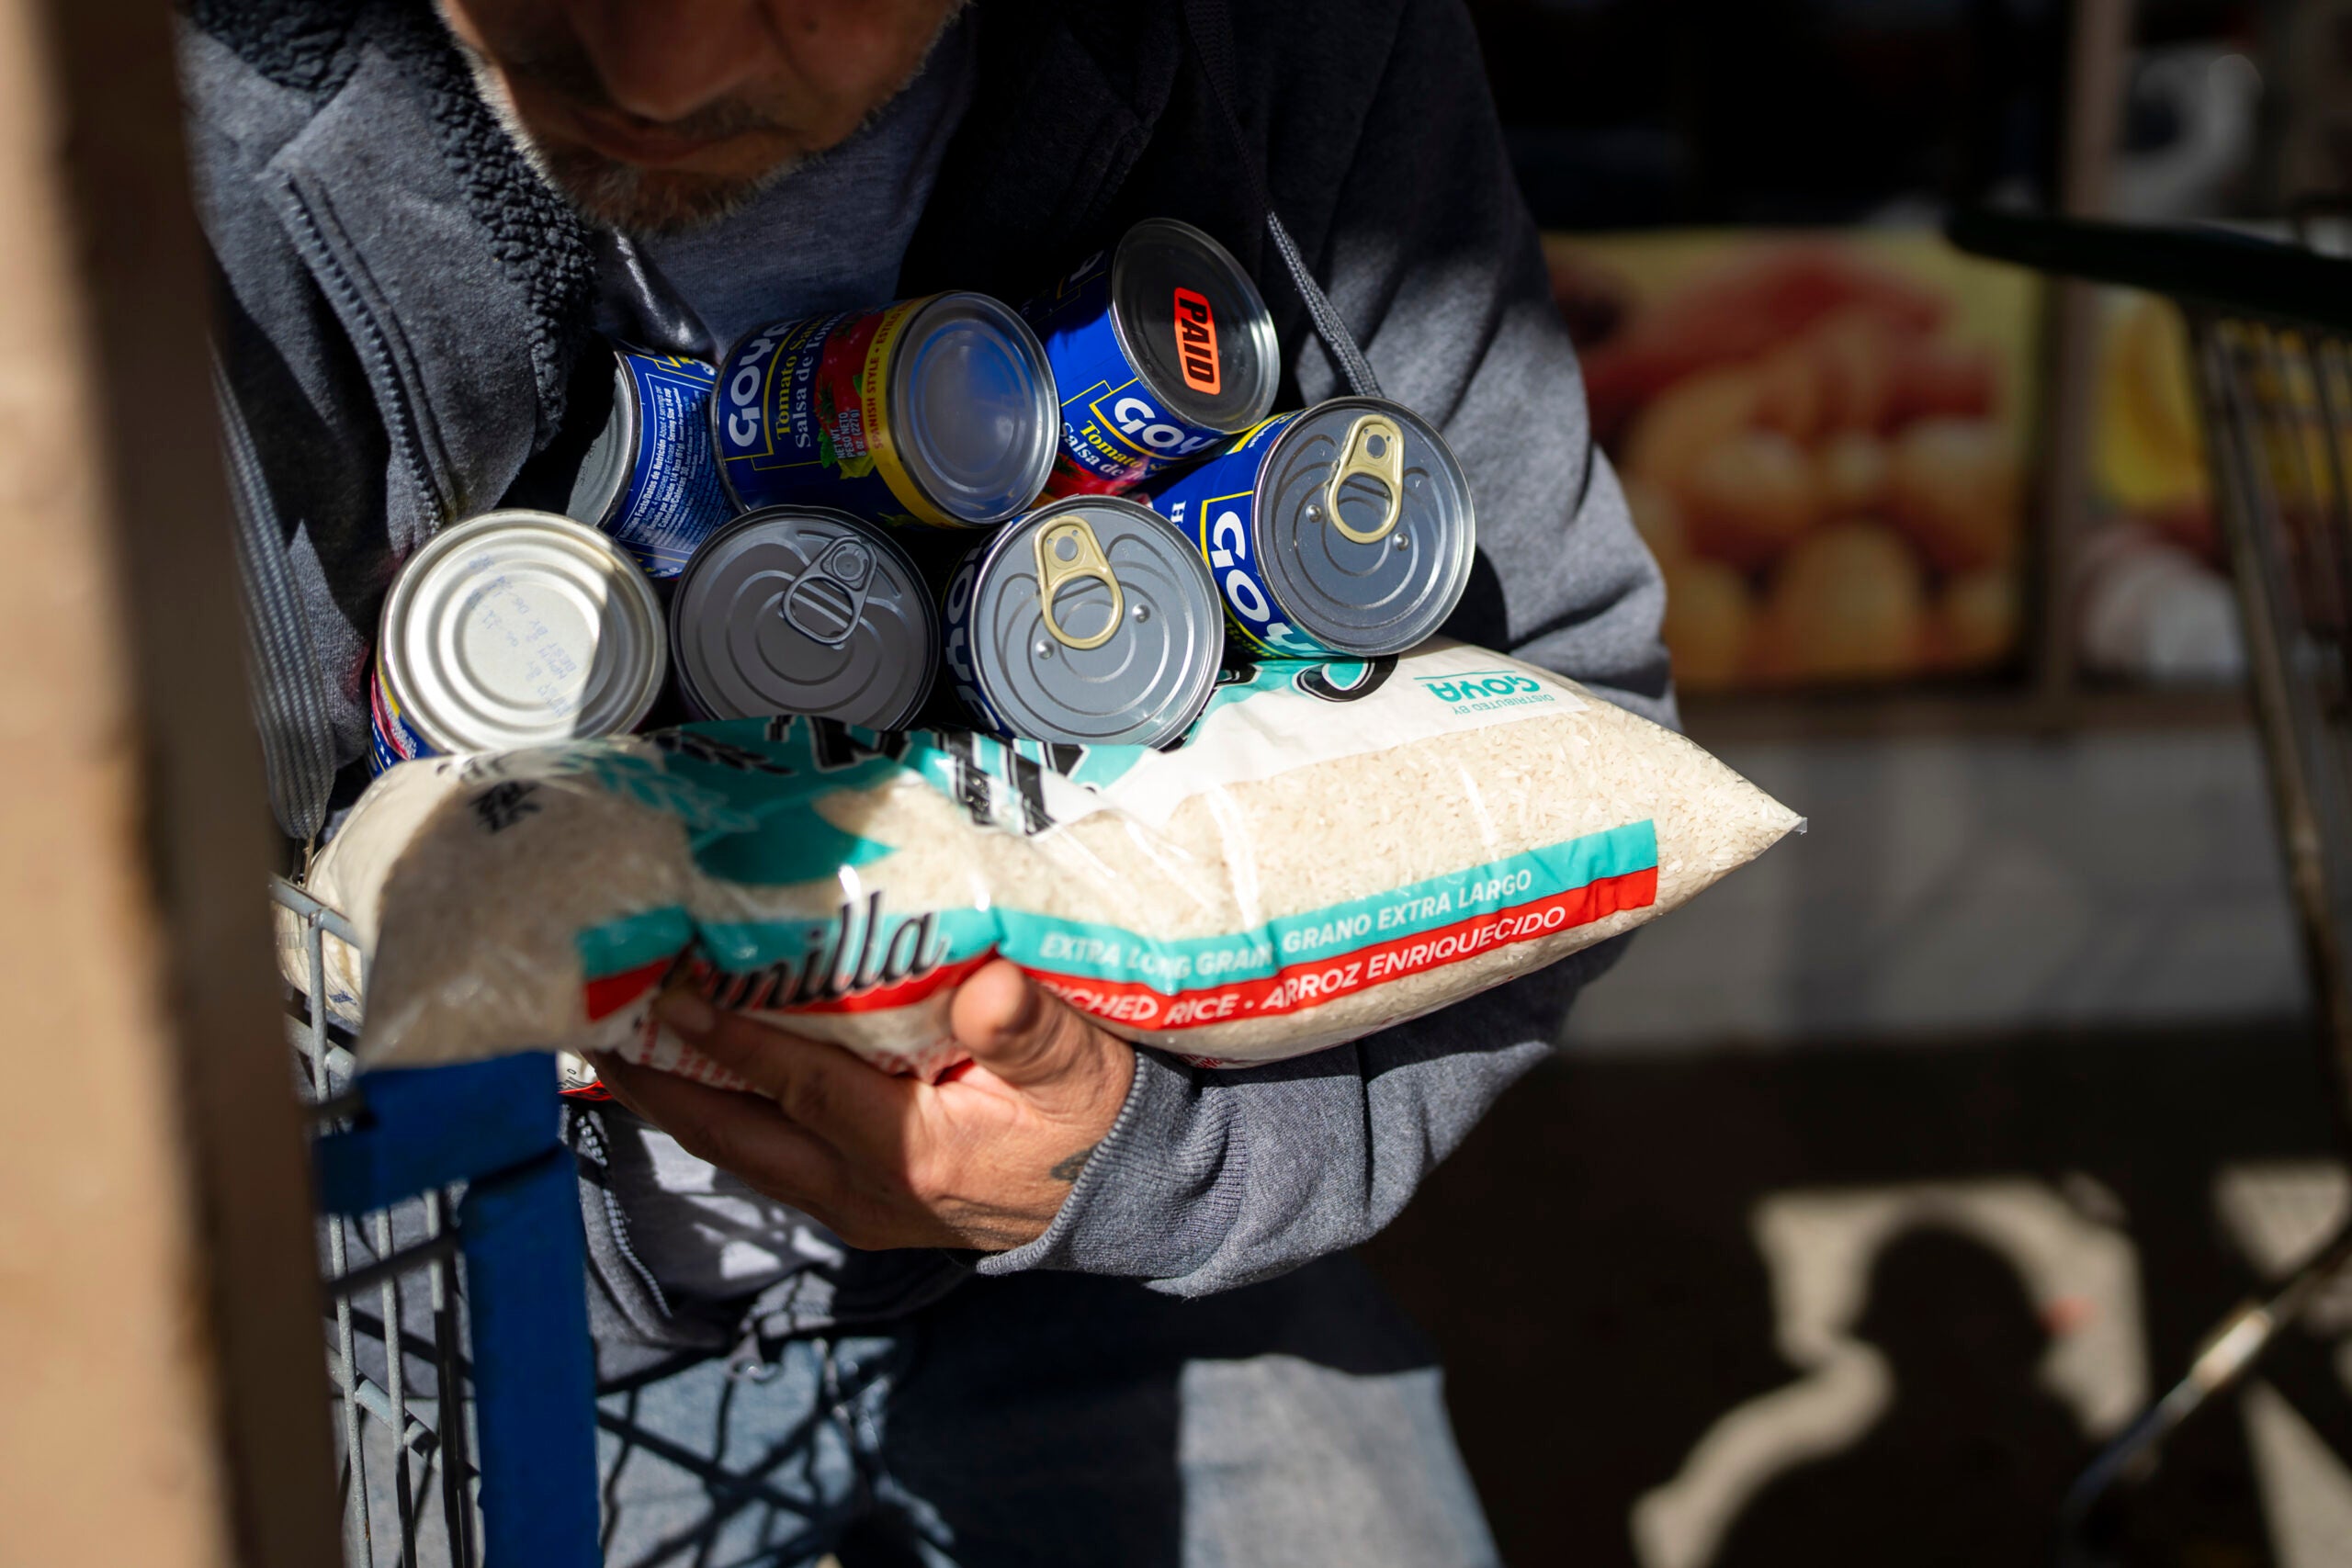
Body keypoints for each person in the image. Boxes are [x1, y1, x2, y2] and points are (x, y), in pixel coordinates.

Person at [182, 0, 1670, 1561]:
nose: (659, 72)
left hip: (1120, 1292)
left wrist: (1139, 1164)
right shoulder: (129, 128)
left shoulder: (1285, 40)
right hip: (436, 1340)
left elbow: (1582, 711)